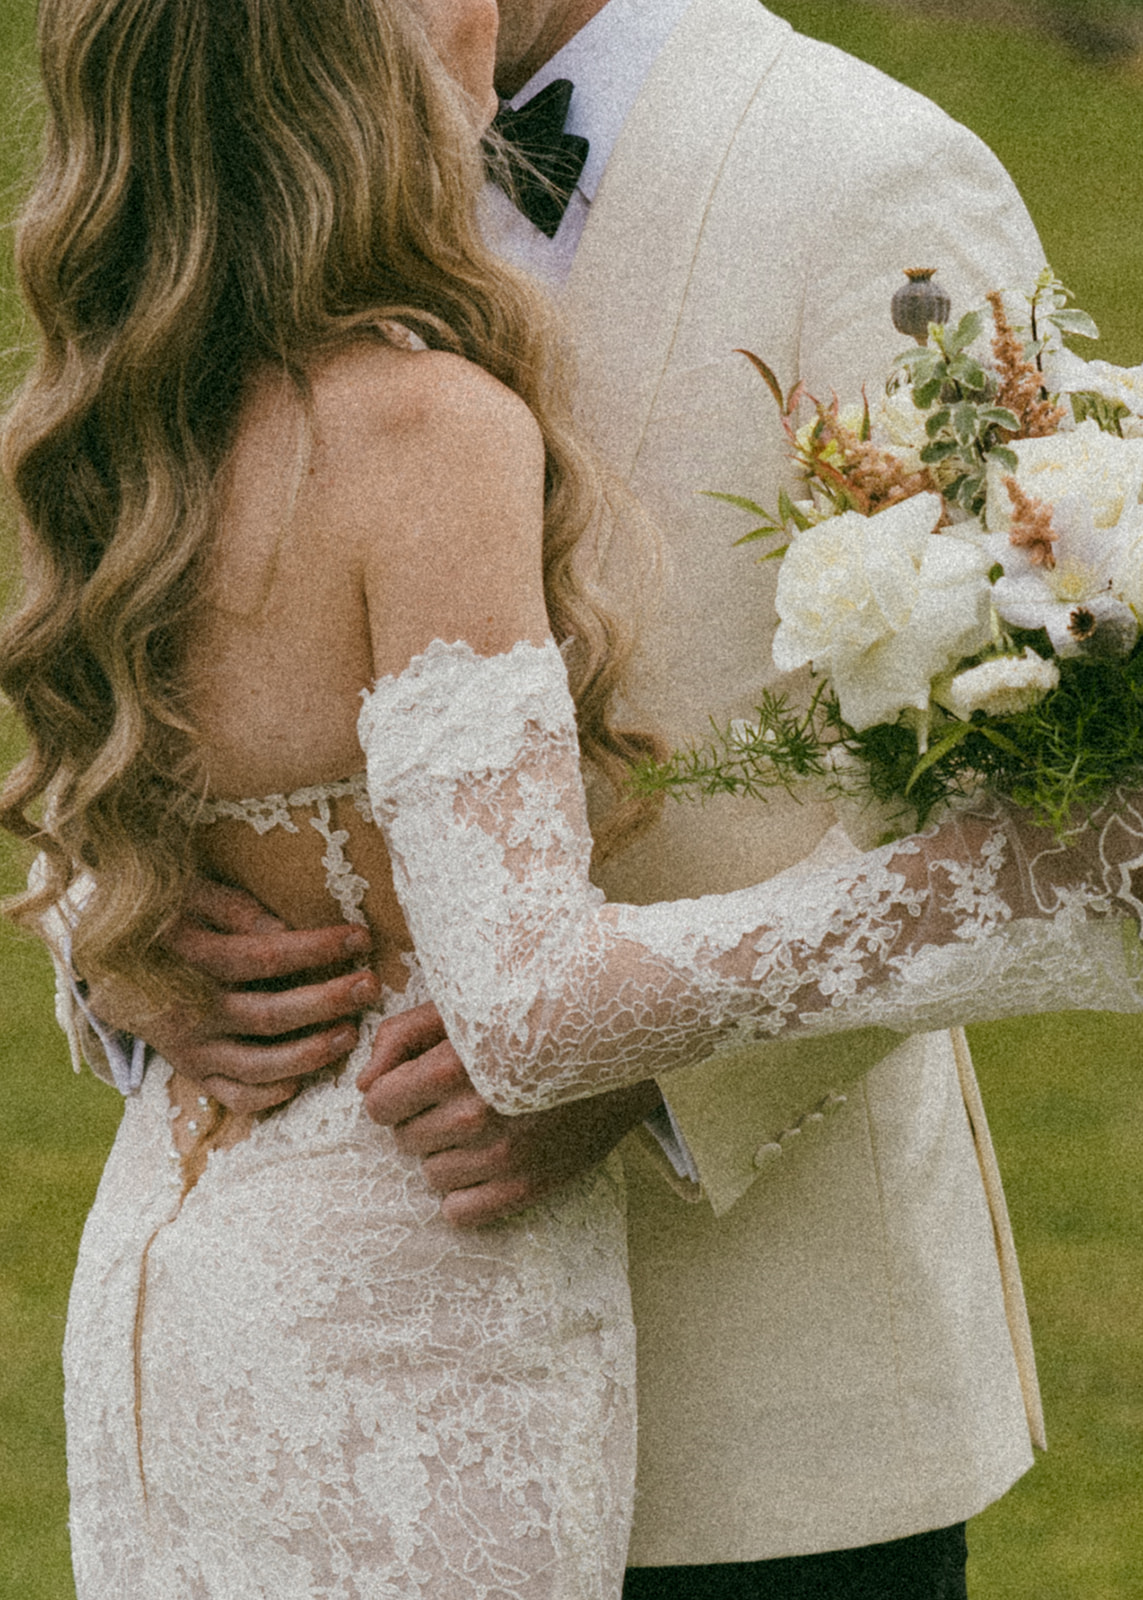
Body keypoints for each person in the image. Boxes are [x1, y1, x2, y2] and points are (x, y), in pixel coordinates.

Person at [11, 4, 1143, 1600]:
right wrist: (117, 929)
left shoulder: (865, 173)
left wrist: (645, 1058)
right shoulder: (247, 98)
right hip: (314, 1378)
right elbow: (137, 607)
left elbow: (1038, 725)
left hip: (763, 1416)